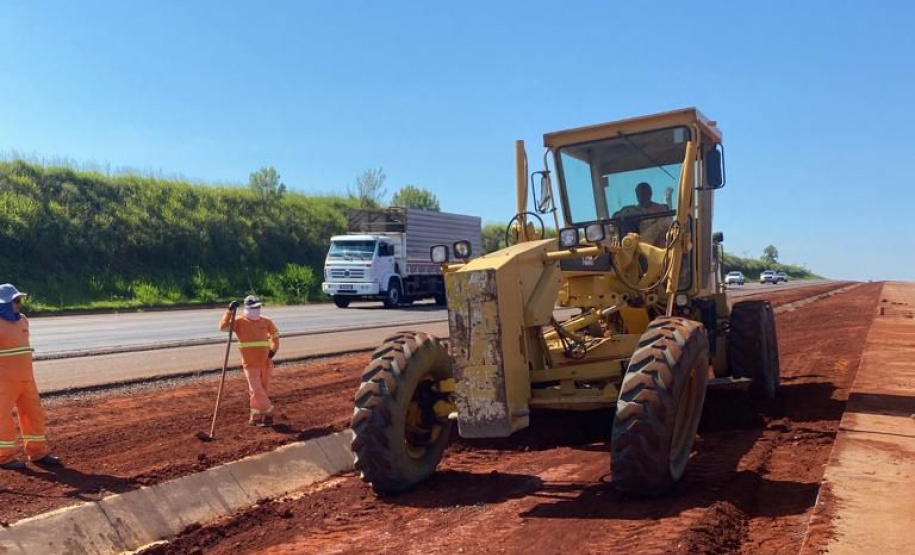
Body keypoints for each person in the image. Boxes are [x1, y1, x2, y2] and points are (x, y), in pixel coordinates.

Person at [0, 284, 63, 470]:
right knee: (3, 419)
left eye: (19, 300)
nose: (19, 304)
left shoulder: (23, 320)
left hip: (27, 379)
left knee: (34, 415)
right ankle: (5, 457)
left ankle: (37, 453)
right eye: (15, 300)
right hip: (4, 382)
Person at [219, 295, 280, 427]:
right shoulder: (239, 321)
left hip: (266, 363)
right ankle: (269, 411)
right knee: (256, 390)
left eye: (258, 307)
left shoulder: (266, 321)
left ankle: (256, 417)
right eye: (253, 308)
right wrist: (229, 311)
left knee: (262, 390)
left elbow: (275, 336)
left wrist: (273, 349)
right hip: (250, 364)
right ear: (246, 308)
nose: (256, 310)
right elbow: (223, 327)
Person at [611, 182, 674, 247]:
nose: (641, 196)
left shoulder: (661, 210)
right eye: (639, 194)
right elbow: (615, 218)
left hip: (661, 249)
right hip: (636, 248)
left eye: (644, 193)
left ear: (650, 194)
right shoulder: (632, 212)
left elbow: (668, 226)